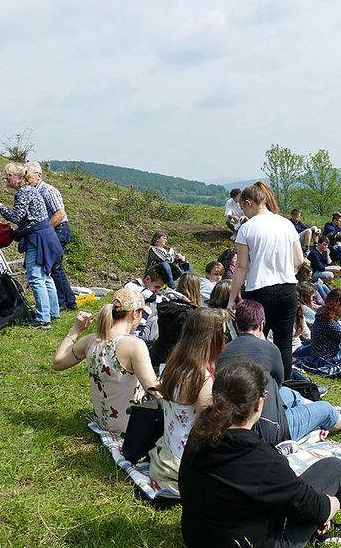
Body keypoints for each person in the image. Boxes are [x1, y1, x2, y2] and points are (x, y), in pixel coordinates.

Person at [178, 359, 341, 548]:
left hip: (201, 547)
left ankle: (332, 530)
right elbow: (315, 507)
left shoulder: (198, 436)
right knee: (333, 468)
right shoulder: (259, 457)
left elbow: (244, 490)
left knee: (299, 498)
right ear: (258, 405)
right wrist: (331, 505)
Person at [219, 300, 341, 444]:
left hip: (238, 416)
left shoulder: (224, 352)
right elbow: (278, 381)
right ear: (262, 325)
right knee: (324, 409)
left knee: (289, 393)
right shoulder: (269, 349)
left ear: (237, 325)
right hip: (270, 429)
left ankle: (326, 410)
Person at [51, 287, 160, 434]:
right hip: (130, 427)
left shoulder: (90, 341)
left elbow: (57, 363)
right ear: (135, 314)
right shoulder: (134, 345)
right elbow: (154, 390)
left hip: (102, 422)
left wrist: (75, 330)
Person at [227, 181, 304, 379]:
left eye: (243, 207)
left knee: (254, 341)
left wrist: (232, 297)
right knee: (284, 343)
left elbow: (241, 267)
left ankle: (254, 385)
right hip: (287, 289)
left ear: (248, 203)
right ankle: (285, 388)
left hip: (259, 290)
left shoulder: (247, 228)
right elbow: (299, 260)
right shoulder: (286, 224)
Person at [148, 308, 227, 494]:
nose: (225, 339)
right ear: (212, 339)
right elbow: (207, 428)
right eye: (223, 334)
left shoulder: (173, 366)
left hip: (168, 452)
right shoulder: (202, 378)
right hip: (186, 462)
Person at [0, 162, 62, 329]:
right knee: (45, 277)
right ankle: (53, 313)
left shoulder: (24, 192)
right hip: (44, 236)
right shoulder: (29, 190)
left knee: (36, 278)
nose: (5, 177)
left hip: (37, 238)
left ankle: (43, 319)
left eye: (9, 175)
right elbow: (26, 219)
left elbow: (17, 216)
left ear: (20, 178)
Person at [27, 162, 77, 312]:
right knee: (56, 266)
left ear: (39, 175)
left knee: (54, 266)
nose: (26, 177)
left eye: (28, 174)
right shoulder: (32, 191)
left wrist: (45, 231)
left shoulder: (48, 190)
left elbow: (60, 214)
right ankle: (69, 301)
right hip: (52, 230)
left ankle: (62, 302)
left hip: (59, 229)